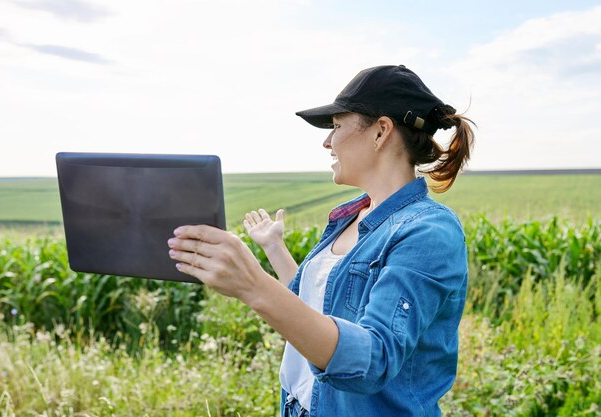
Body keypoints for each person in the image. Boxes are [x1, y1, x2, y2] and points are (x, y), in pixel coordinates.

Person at [168, 65, 475, 417]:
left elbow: (373, 359)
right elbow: (316, 313)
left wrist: (253, 285)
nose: (327, 141)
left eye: (337, 126)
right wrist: (273, 248)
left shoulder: (428, 232)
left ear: (381, 132)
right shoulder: (348, 217)